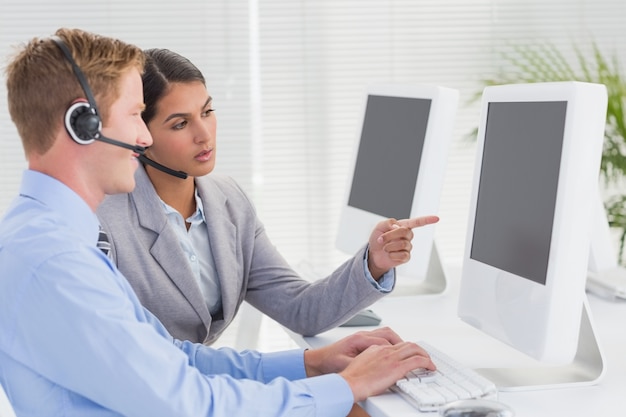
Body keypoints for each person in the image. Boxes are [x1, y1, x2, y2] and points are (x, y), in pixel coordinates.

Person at [0, 28, 436, 416]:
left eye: (206, 112)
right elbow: (186, 402)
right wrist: (346, 386)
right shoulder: (57, 261)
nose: (143, 138)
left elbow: (172, 359)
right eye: (136, 115)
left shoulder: (55, 242)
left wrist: (313, 365)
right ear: (84, 125)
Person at [97, 47, 440, 344]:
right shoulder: (105, 220)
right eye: (180, 124)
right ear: (140, 134)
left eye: (207, 111)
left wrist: (375, 262)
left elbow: (300, 308)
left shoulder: (229, 202)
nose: (205, 135)